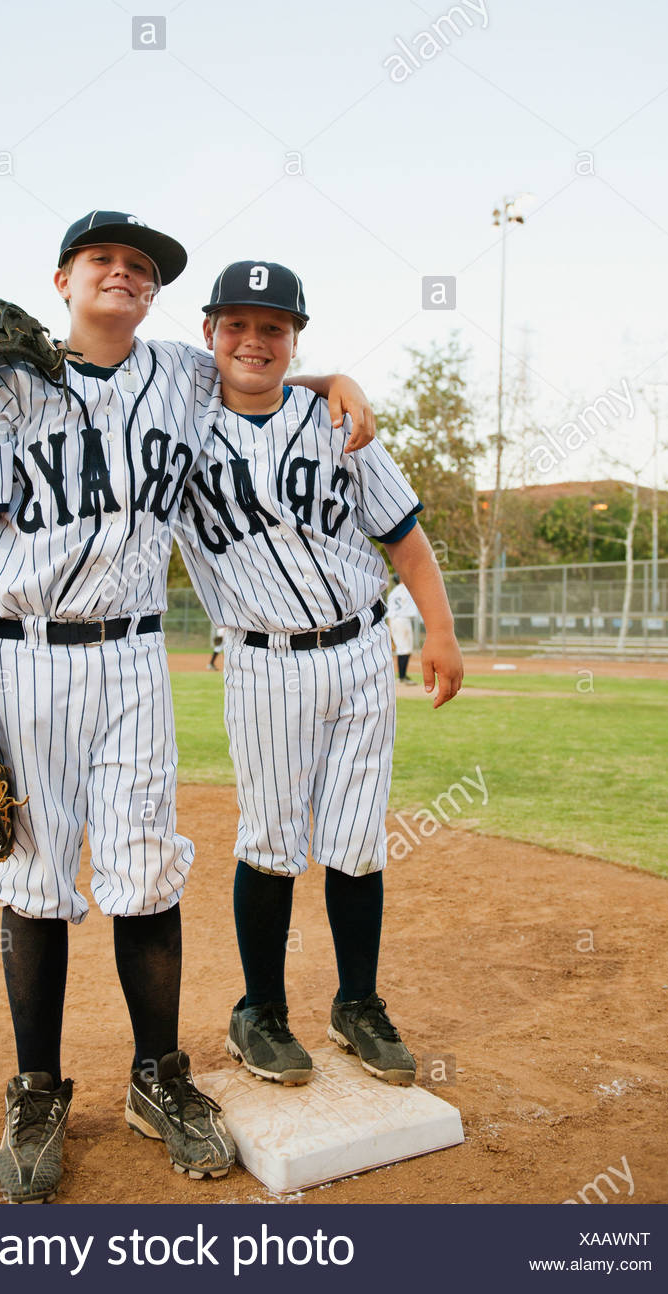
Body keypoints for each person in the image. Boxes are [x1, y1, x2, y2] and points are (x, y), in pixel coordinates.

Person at [0, 215, 375, 1202]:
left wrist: (334, 381)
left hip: (134, 655)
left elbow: (260, 379)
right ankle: (37, 1092)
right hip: (24, 655)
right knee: (36, 876)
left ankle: (157, 1075)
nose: (124, 275)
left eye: (141, 268)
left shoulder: (179, 371)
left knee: (143, 868)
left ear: (154, 293)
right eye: (105, 262)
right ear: (63, 279)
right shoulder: (2, 387)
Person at [176, 260, 464, 1089]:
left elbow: (402, 534)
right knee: (270, 840)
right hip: (264, 660)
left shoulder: (339, 422)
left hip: (364, 647)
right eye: (236, 324)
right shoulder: (180, 429)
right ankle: (258, 1010)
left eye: (273, 327)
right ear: (209, 334)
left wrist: (437, 631)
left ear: (294, 337)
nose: (253, 340)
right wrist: (332, 375)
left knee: (356, 839)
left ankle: (357, 1003)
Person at [387, 572, 420, 684]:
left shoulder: (393, 593)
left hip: (395, 621)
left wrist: (391, 631)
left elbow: (390, 614)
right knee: (405, 649)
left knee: (403, 648)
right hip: (402, 620)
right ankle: (402, 677)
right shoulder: (406, 589)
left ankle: (402, 676)